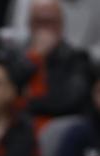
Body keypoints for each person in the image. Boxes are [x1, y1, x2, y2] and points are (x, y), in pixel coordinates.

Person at [10, 0, 90, 128]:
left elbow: (69, 100)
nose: (45, 28)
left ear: (61, 25)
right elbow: (6, 93)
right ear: (29, 24)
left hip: (60, 126)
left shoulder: (76, 58)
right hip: (17, 126)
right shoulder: (14, 55)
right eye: (39, 22)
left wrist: (26, 104)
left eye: (50, 21)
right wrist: (34, 58)